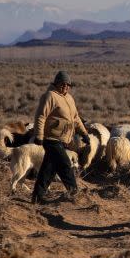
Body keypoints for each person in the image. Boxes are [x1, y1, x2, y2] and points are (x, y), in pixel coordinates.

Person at [30, 71, 89, 203]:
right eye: (62, 84)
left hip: (63, 139)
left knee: (49, 169)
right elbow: (41, 116)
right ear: (56, 83)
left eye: (68, 85)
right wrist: (39, 135)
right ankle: (74, 192)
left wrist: (84, 133)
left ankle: (37, 196)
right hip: (51, 138)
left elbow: (76, 118)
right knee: (65, 164)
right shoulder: (49, 96)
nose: (65, 87)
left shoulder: (69, 98)